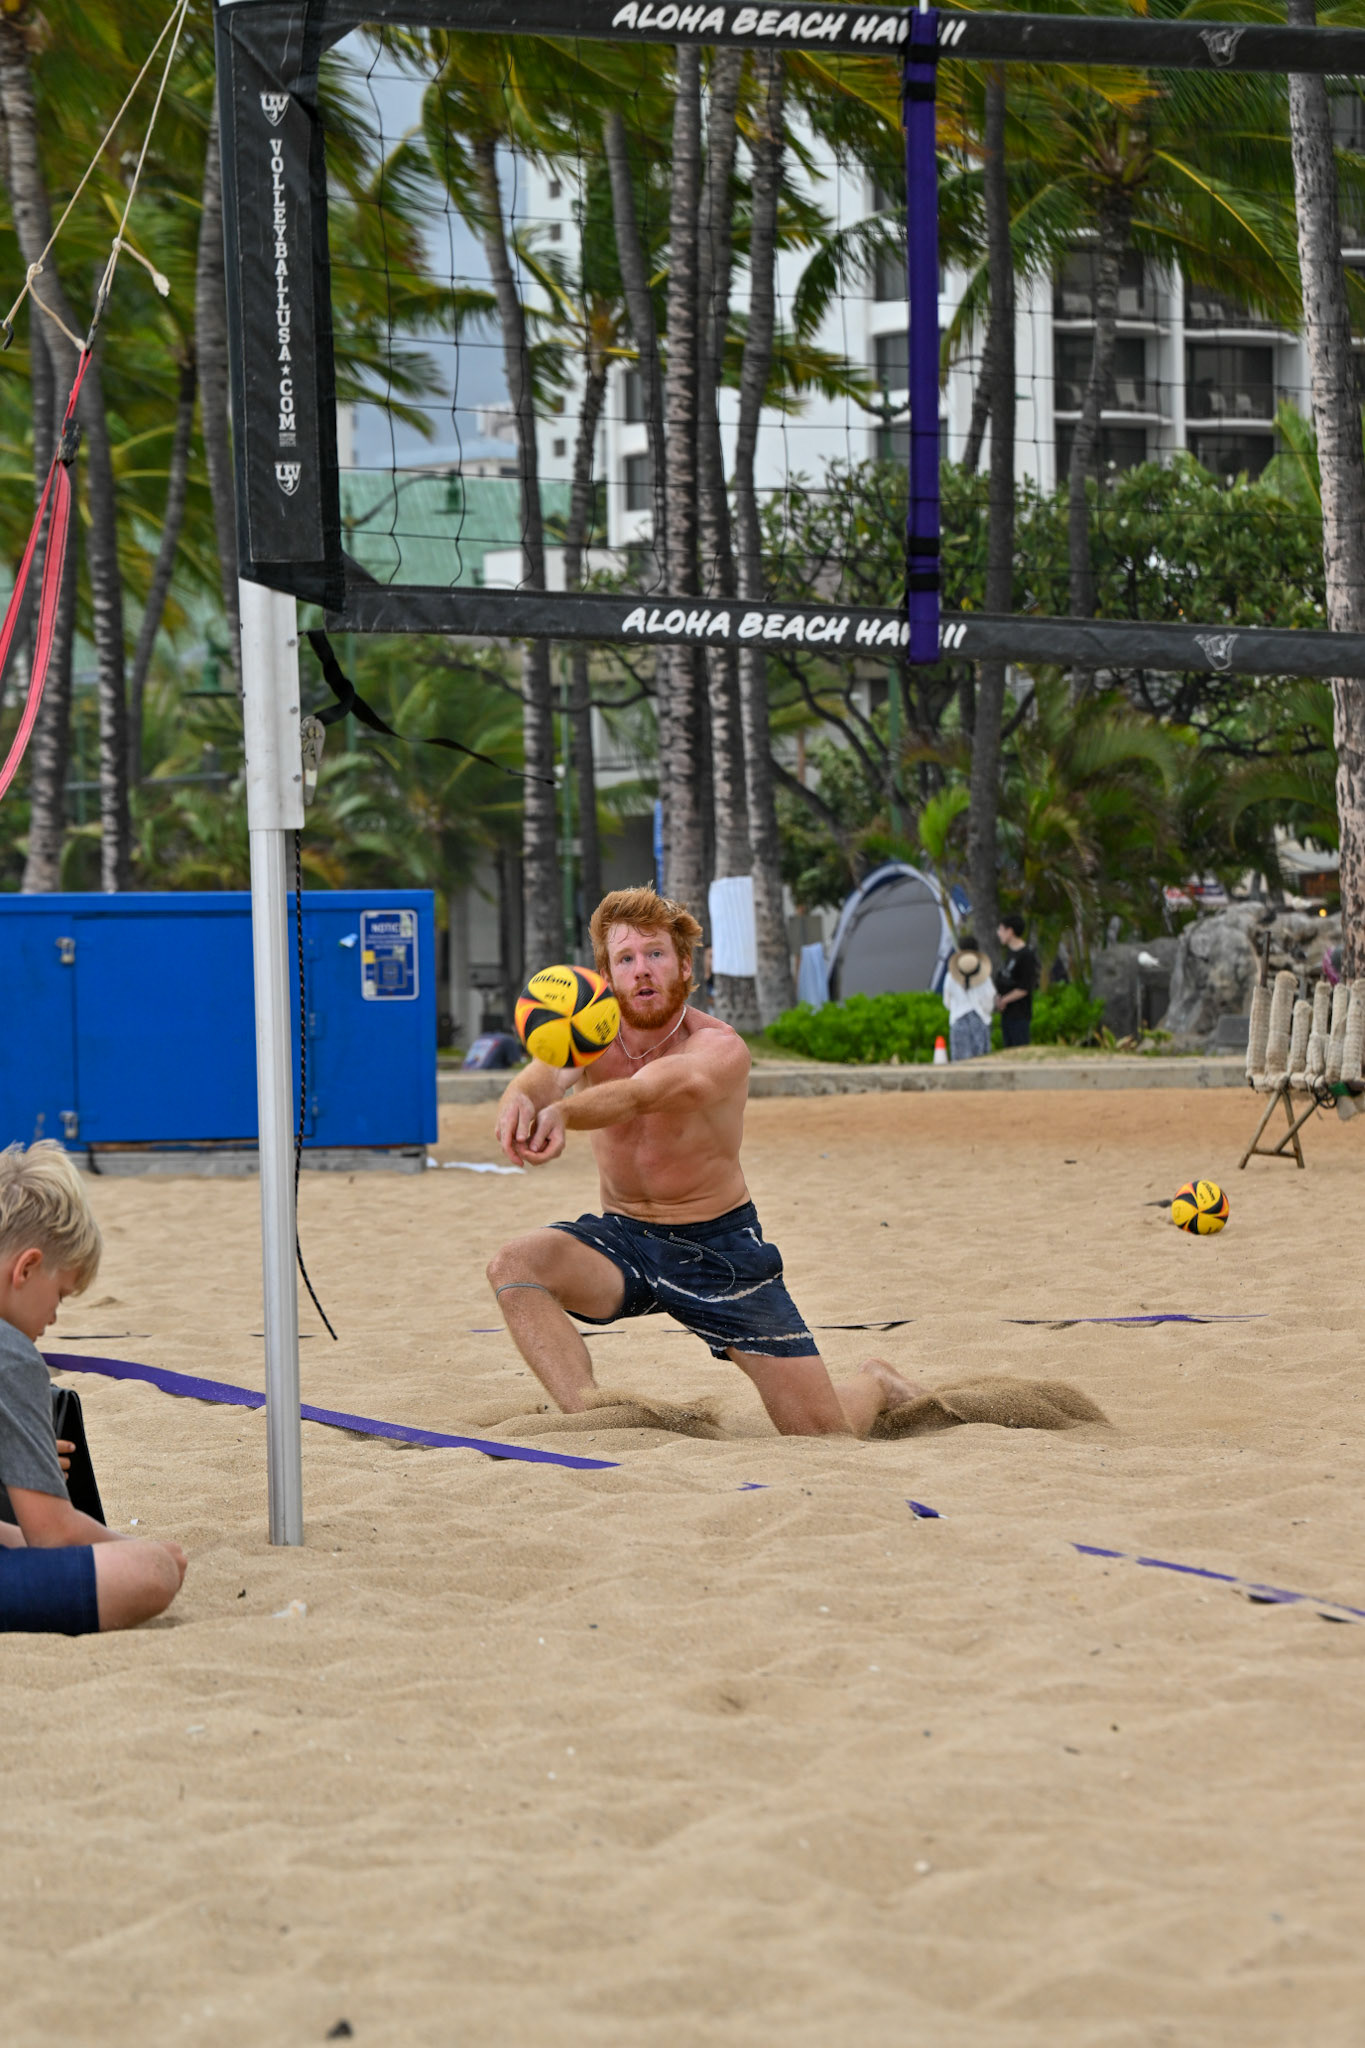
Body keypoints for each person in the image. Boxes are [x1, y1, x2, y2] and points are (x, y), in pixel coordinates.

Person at [487, 886, 925, 1436]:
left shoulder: (719, 1047)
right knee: (515, 1265)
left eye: (655, 953)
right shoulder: (592, 1036)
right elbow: (541, 1075)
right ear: (606, 976)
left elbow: (643, 1093)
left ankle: (877, 1382)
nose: (642, 970)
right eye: (626, 959)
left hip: (718, 1249)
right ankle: (593, 1415)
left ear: (684, 965)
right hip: (626, 1239)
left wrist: (564, 1114)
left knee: (822, 1433)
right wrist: (519, 1101)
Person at [0, 1142, 187, 1635]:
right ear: (26, 1268)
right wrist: (140, 1549)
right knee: (151, 1572)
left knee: (14, 1535)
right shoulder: (11, 1354)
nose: (54, 1317)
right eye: (60, 1295)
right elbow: (54, 1534)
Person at [943, 935, 995, 1062]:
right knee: (981, 1060)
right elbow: (989, 1002)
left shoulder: (950, 977)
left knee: (960, 1062)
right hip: (979, 1020)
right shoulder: (985, 979)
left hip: (958, 1020)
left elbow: (947, 1002)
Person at [995, 914, 1039, 1049]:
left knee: (1019, 1049)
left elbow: (1025, 987)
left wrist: (1004, 1000)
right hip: (1007, 1013)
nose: (998, 933)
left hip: (1019, 1014)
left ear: (1010, 931)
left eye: (1001, 929)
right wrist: (998, 998)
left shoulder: (1026, 955)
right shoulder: (1009, 953)